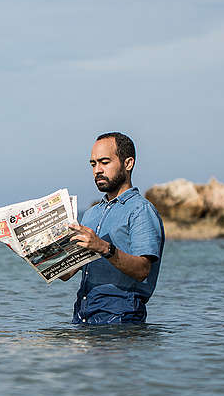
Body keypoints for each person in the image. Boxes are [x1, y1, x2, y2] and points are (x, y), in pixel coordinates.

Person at [61, 132, 164, 324]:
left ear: (128, 163)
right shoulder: (91, 214)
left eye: (104, 162)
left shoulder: (141, 210)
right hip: (83, 315)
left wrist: (103, 247)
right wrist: (29, 251)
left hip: (122, 318)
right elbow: (67, 273)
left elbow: (143, 270)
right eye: (93, 164)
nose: (97, 170)